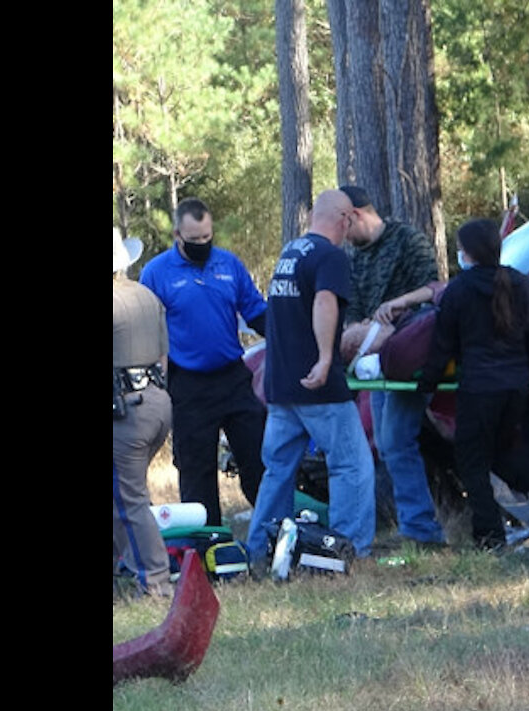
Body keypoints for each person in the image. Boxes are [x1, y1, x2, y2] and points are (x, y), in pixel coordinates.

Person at [417, 219, 529, 550]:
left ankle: (489, 534)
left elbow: (442, 346)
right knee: (500, 455)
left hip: (478, 389)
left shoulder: (460, 291)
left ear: (467, 253)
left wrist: (426, 383)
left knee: (473, 463)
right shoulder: (521, 285)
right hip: (517, 388)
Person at [246, 190, 376, 562]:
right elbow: (324, 302)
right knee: (351, 464)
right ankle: (349, 549)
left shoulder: (291, 253)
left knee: (278, 469)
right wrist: (324, 358)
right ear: (346, 218)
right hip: (318, 387)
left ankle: (261, 548)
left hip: (282, 384)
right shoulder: (329, 256)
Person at [139, 198, 268, 527]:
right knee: (197, 468)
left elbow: (256, 311)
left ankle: (272, 529)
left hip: (233, 377)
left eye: (207, 238)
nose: (202, 245)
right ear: (177, 233)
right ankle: (207, 541)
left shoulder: (228, 264)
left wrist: (290, 338)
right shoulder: (156, 273)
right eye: (194, 239)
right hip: (189, 384)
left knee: (257, 455)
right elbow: (146, 330)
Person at [339, 185, 447, 548]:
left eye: (343, 225)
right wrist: (357, 332)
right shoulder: (354, 256)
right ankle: (415, 522)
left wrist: (396, 313)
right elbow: (352, 309)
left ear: (355, 214)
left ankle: (421, 529)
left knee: (398, 440)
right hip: (376, 364)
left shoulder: (408, 241)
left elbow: (432, 296)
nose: (342, 235)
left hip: (408, 358)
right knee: (388, 443)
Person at [113, 228, 174, 598]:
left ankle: (154, 581)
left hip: (126, 412)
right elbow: (164, 359)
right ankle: (131, 563)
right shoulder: (148, 297)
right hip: (157, 404)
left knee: (128, 497)